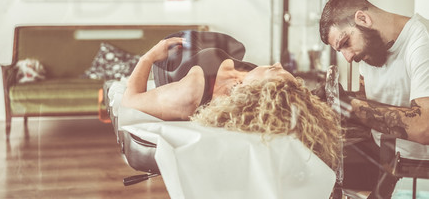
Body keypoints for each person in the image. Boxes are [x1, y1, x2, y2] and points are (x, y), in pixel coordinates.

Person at [121, 30, 342, 169]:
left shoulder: (191, 92)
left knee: (231, 46)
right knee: (238, 46)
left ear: (260, 92)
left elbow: (130, 101)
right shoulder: (251, 80)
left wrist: (149, 56)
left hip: (174, 52)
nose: (278, 64)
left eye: (276, 71)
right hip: (212, 48)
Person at [319, 0, 429, 197]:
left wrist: (350, 106)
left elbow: (425, 127)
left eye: (345, 43)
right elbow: (371, 107)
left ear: (363, 19)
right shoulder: (370, 54)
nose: (348, 57)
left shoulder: (422, 41)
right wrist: (332, 101)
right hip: (386, 161)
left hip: (419, 174)